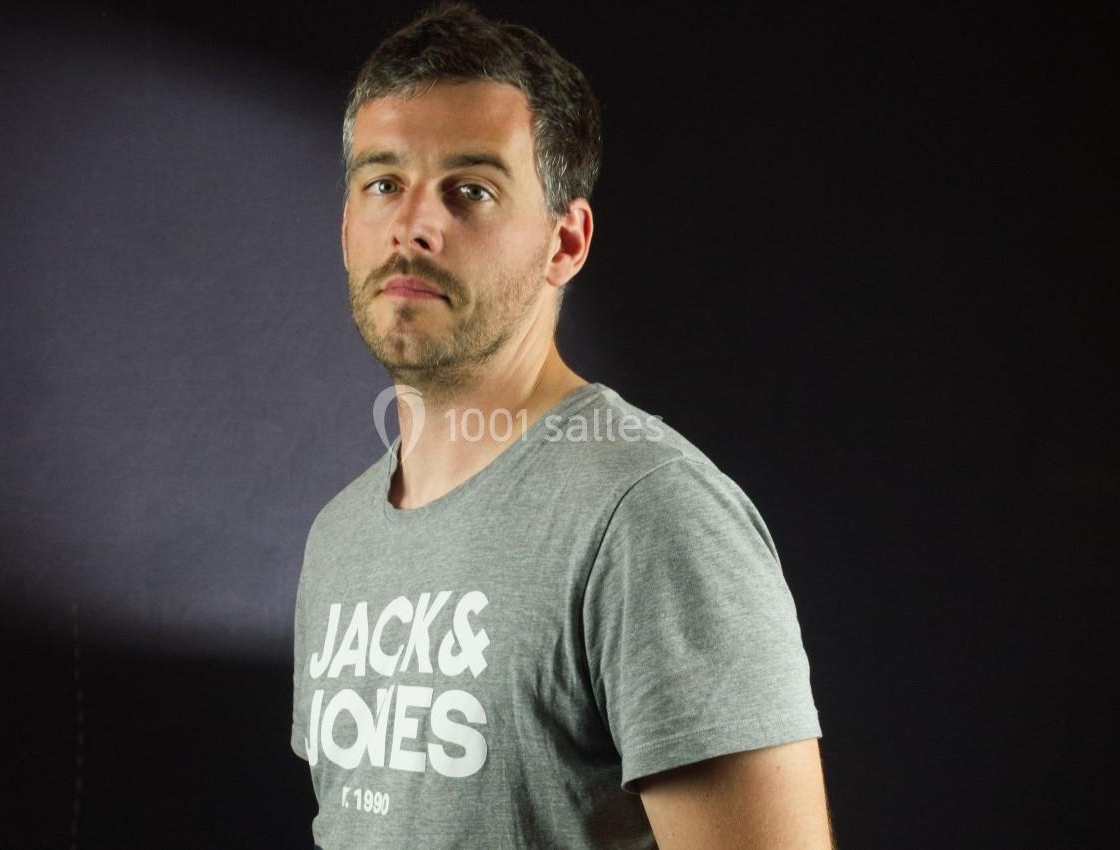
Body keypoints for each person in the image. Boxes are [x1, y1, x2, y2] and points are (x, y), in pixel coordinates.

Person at [291, 3, 832, 846]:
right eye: (383, 183)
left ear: (565, 242)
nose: (413, 225)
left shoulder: (648, 519)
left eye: (470, 190)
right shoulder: (339, 540)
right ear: (347, 230)